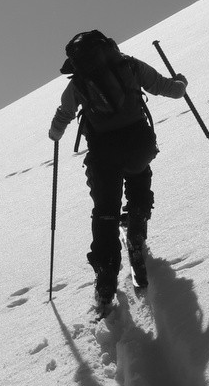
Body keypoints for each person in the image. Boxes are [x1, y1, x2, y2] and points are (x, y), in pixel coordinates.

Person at [48, 30, 187, 313]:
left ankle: (106, 273)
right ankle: (136, 227)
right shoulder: (130, 66)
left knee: (105, 211)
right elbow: (170, 89)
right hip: (139, 143)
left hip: (103, 155)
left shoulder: (77, 85)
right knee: (139, 179)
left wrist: (54, 133)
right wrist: (181, 82)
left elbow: (63, 115)